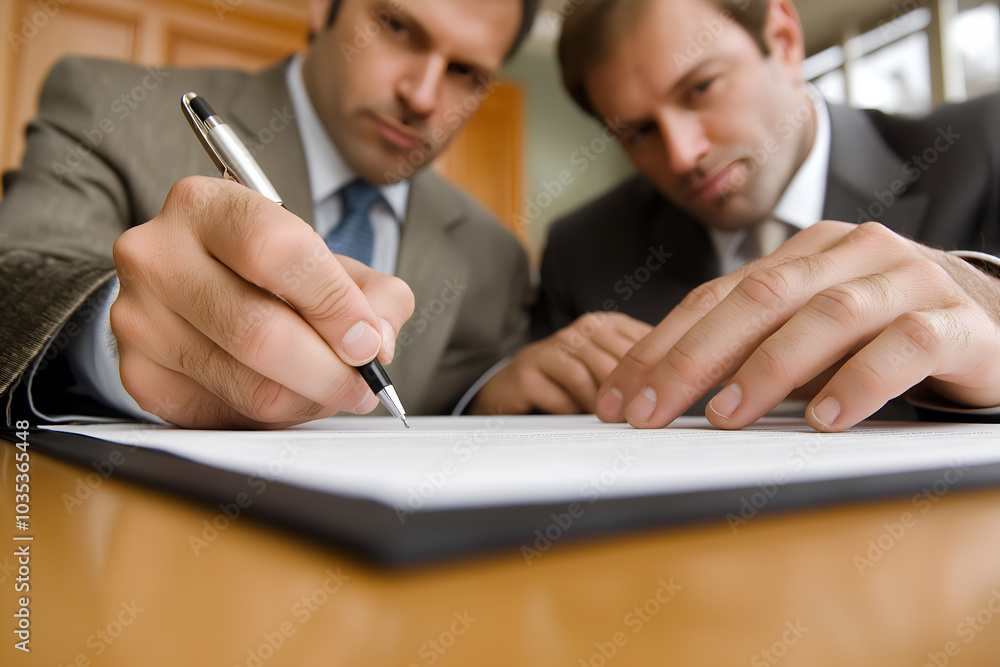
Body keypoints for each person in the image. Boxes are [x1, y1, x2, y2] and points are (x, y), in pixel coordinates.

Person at [0, 0, 539, 428]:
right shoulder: (110, 111)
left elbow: (461, 399)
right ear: (321, 6)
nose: (421, 96)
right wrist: (114, 334)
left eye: (465, 71)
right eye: (397, 26)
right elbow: (16, 284)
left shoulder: (497, 256)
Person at [472, 0, 1000, 432]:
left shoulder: (984, 147)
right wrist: (493, 394)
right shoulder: (582, 248)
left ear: (784, 41)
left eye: (700, 88)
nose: (683, 155)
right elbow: (522, 401)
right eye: (638, 132)